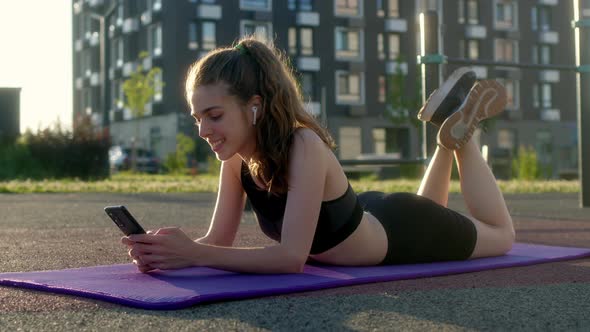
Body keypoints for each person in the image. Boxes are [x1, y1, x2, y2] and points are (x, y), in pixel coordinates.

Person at [122, 36, 515, 274]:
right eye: (197, 118)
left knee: (502, 236)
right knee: (434, 210)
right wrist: (170, 253)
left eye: (214, 115)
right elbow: (218, 242)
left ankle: (464, 136)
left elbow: (291, 257)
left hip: (401, 231)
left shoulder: (304, 145)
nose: (204, 130)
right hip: (376, 214)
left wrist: (193, 253)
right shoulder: (236, 160)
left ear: (254, 106)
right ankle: (448, 138)